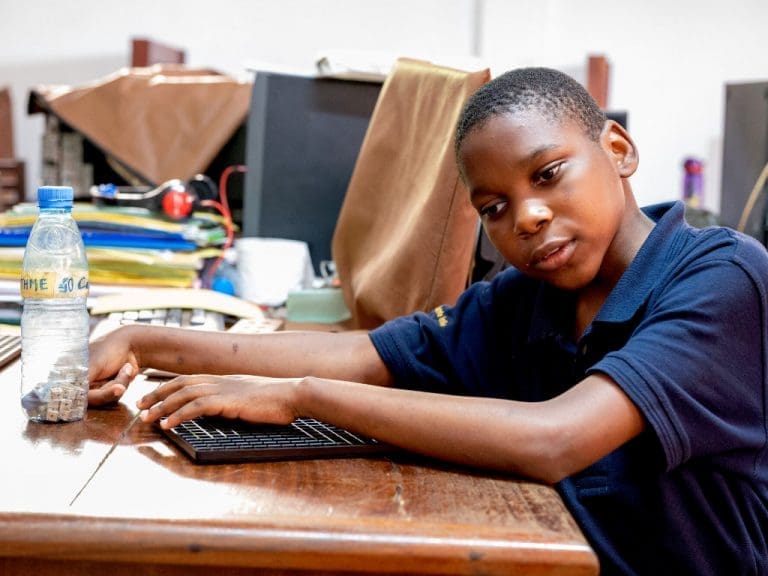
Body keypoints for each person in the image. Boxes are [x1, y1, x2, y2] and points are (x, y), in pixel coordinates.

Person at [87, 67, 768, 575]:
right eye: (494, 208)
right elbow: (368, 354)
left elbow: (556, 438)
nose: (526, 217)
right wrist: (140, 339)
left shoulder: (719, 279)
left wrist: (302, 395)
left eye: (549, 173)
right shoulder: (526, 297)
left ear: (618, 150)